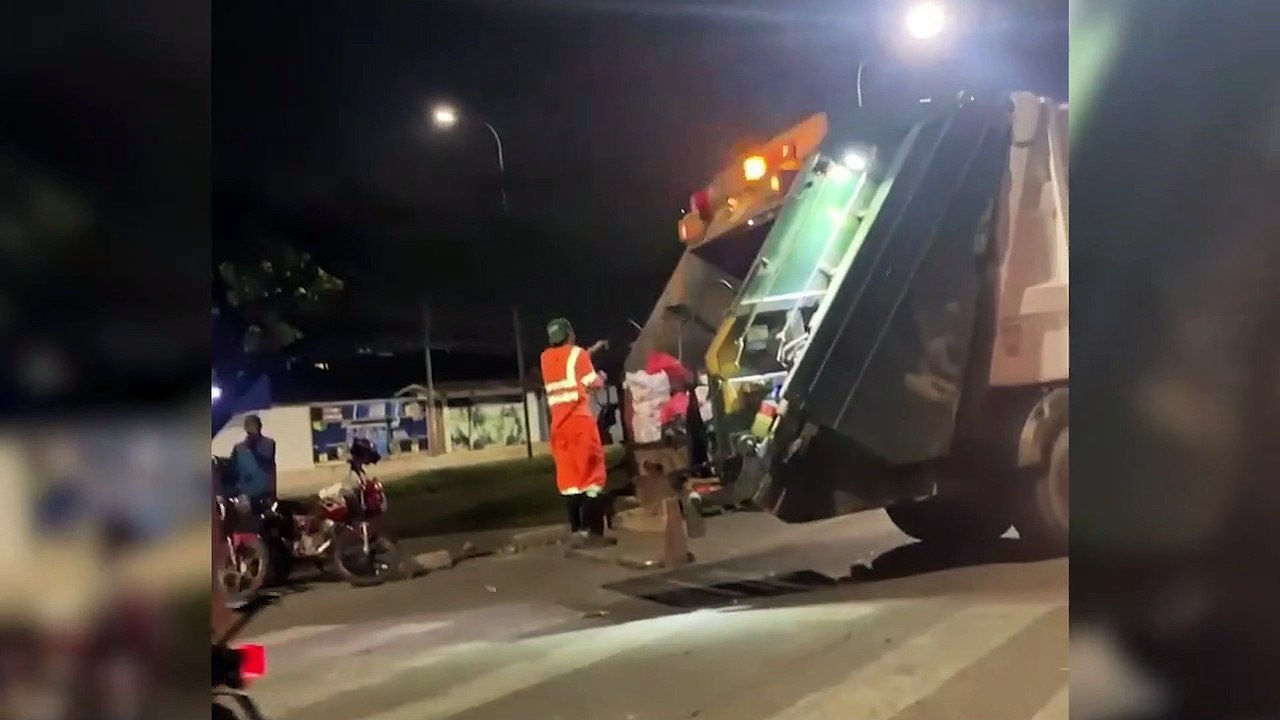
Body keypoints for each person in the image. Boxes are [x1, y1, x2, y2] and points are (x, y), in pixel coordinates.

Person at [540, 317, 611, 545]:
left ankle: (575, 530)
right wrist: (601, 376)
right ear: (570, 334)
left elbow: (568, 363)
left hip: (559, 427)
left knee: (569, 480)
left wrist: (593, 349)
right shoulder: (578, 355)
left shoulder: (546, 359)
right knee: (593, 476)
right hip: (580, 423)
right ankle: (591, 531)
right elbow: (592, 382)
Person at [230, 414, 277, 505]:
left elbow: (270, 466)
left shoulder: (269, 444)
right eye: (248, 426)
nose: (251, 429)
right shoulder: (238, 448)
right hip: (245, 493)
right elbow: (233, 470)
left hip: (264, 491)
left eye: (253, 426)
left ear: (260, 426)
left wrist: (273, 492)